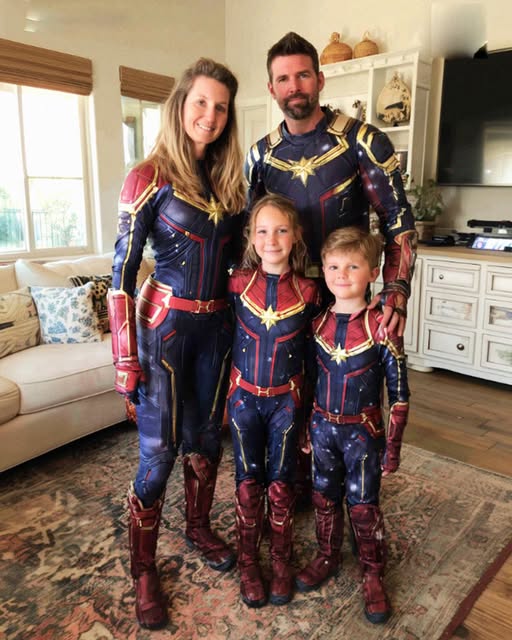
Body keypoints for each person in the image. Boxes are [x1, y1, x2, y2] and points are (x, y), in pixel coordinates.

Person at [245, 31, 417, 505]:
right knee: (291, 395)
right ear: (271, 88)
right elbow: (251, 233)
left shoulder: (363, 141)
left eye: (303, 75)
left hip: (348, 296)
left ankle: (357, 493)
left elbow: (399, 220)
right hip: (285, 298)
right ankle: (301, 491)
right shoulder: (261, 155)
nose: (294, 86)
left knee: (353, 397)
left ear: (320, 80)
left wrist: (395, 290)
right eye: (284, 79)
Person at [108, 58, 246, 630]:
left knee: (207, 440)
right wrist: (123, 358)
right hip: (161, 330)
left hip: (217, 330)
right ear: (181, 104)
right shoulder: (148, 177)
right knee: (158, 453)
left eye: (221, 107)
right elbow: (121, 274)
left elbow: (241, 263)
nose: (210, 116)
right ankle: (143, 568)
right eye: (201, 102)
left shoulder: (232, 180)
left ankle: (197, 527)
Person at [295, 227, 410, 624]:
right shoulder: (316, 324)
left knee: (363, 506)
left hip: (363, 434)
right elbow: (309, 381)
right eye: (333, 267)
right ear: (323, 270)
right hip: (323, 428)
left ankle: (373, 572)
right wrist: (306, 426)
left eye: (353, 267)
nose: (341, 275)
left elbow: (399, 394)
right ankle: (327, 555)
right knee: (324, 498)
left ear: (373, 272)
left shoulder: (383, 328)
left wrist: (393, 446)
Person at [226, 194, 319, 608]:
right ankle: (248, 563)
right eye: (262, 231)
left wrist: (311, 412)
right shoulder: (235, 284)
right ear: (251, 236)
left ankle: (281, 561)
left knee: (281, 486)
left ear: (296, 235)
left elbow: (316, 360)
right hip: (243, 401)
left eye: (281, 230)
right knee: (248, 486)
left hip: (286, 403)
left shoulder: (311, 291)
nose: (272, 239)